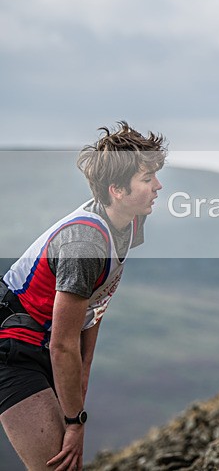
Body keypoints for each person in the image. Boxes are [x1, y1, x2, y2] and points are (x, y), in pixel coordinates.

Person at [0, 122, 167, 470]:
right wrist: (75, 421)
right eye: (147, 178)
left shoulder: (130, 223)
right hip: (11, 348)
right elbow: (62, 345)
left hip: (43, 342)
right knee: (57, 467)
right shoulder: (85, 244)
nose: (158, 186)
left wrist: (81, 385)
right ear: (117, 190)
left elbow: (95, 303)